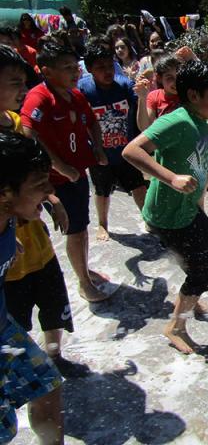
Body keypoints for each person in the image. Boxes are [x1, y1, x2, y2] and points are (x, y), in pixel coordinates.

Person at [123, 60, 208, 354]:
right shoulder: (177, 120)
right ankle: (175, 327)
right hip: (168, 214)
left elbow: (195, 158)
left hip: (187, 209)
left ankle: (189, 295)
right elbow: (131, 150)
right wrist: (171, 178)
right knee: (202, 270)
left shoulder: (200, 122)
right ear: (193, 95)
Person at [0, 44, 81, 379]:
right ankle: (22, 372)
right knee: (13, 318)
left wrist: (52, 199)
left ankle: (54, 356)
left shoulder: (15, 122)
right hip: (9, 257)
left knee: (52, 301)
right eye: (15, 82)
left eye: (24, 82)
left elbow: (32, 172)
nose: (23, 89)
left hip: (34, 239)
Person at [21, 43, 111, 303]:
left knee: (81, 228)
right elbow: (29, 134)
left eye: (75, 66)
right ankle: (84, 283)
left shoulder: (75, 95)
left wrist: (98, 149)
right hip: (56, 181)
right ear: (47, 72)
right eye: (67, 68)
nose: (75, 72)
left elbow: (92, 122)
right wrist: (59, 166)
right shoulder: (39, 98)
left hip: (77, 174)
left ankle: (83, 269)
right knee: (75, 231)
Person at [0, 130, 64, 443]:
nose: (50, 190)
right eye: (39, 184)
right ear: (4, 193)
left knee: (46, 386)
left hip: (3, 327)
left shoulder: (9, 215)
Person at [78, 45, 147, 241]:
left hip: (126, 150)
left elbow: (141, 113)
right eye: (100, 67)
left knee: (138, 186)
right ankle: (103, 224)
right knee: (102, 191)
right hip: (100, 152)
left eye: (110, 65)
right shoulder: (83, 90)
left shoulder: (124, 85)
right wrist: (92, 149)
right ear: (89, 69)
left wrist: (143, 94)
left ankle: (148, 218)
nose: (107, 71)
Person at [135, 54, 181, 131]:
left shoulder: (188, 93)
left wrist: (193, 58)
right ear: (159, 78)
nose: (175, 82)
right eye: (170, 78)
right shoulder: (155, 96)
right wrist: (142, 98)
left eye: (179, 76)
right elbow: (145, 128)